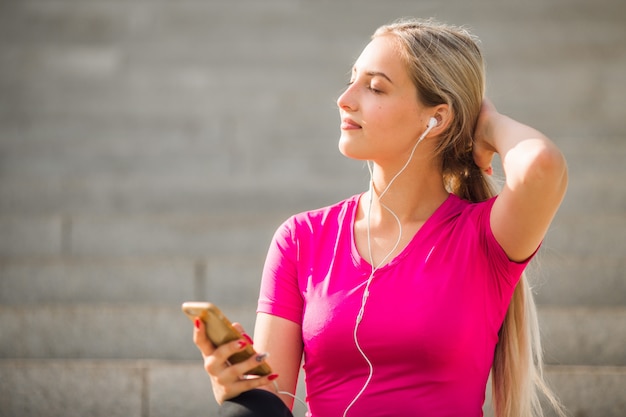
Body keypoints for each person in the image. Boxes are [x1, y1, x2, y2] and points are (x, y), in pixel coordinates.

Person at [192, 18, 568, 417]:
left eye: (374, 87)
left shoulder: (483, 237)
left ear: (436, 118)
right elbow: (274, 400)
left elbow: (541, 166)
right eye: (351, 80)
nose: (345, 98)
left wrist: (486, 124)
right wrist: (240, 389)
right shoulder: (301, 238)